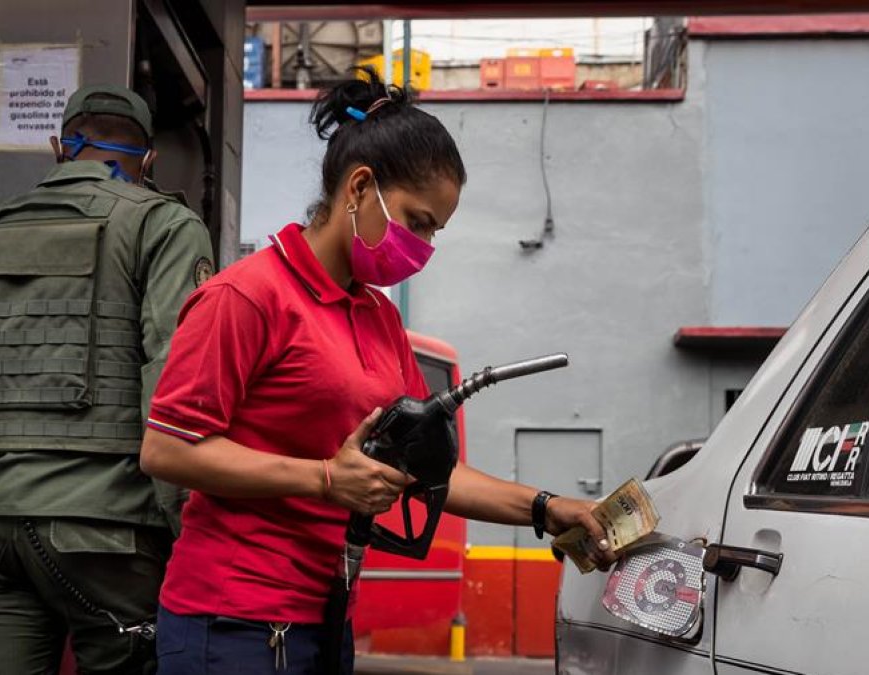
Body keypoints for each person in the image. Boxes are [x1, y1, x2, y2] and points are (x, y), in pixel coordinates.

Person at [139, 71, 615, 675]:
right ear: (360, 187)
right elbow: (167, 450)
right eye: (417, 222)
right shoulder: (247, 296)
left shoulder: (378, 317)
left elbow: (426, 470)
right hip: (233, 622)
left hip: (326, 615)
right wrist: (322, 479)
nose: (423, 246)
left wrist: (546, 507)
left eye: (435, 232)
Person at [0, 84, 215, 675]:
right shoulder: (164, 226)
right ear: (148, 160)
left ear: (57, 146)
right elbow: (172, 384)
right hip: (109, 534)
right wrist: (192, 537)